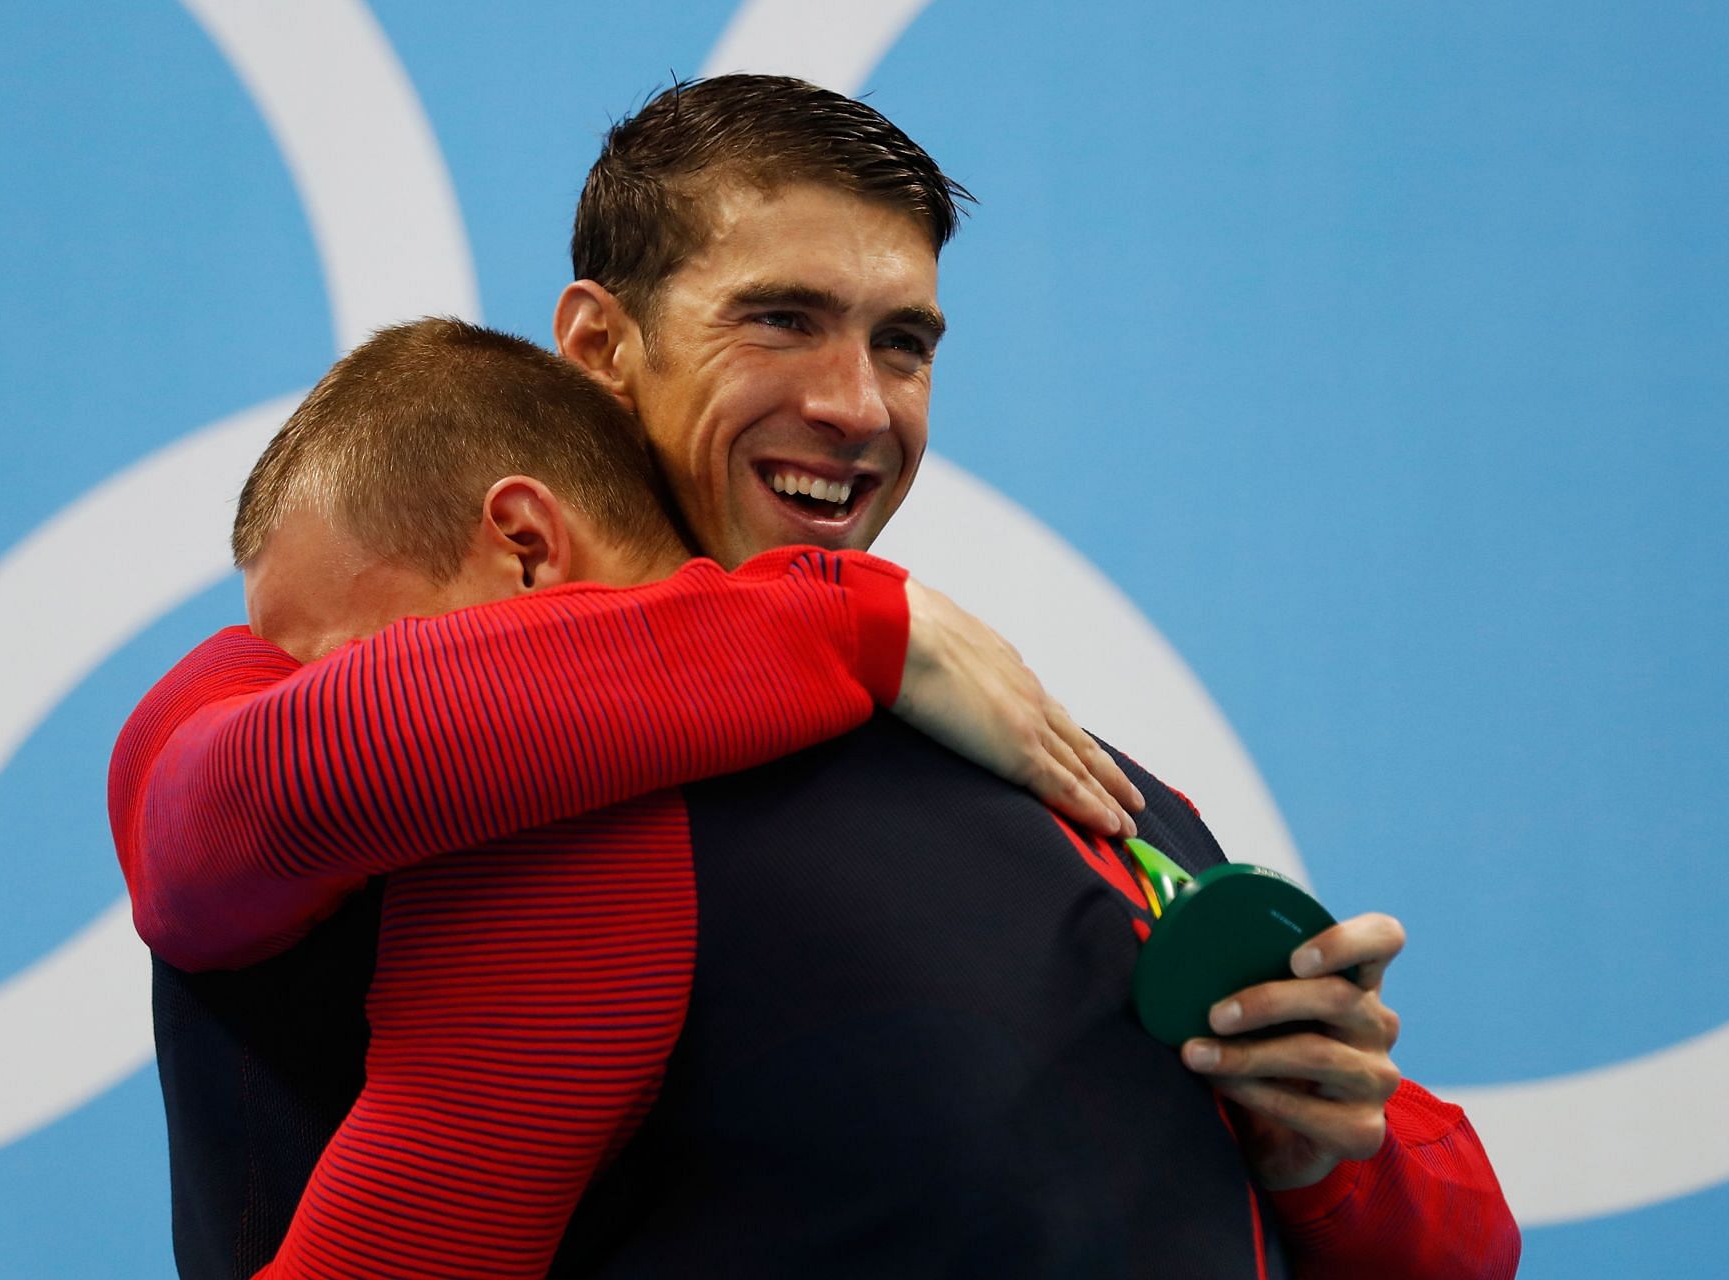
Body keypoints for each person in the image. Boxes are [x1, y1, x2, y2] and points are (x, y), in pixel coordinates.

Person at [109, 75, 1518, 1276]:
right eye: (781, 319)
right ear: (600, 346)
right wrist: (843, 618)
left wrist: (1330, 1148)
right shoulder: (484, 775)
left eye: (902, 343)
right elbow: (210, 821)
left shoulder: (1075, 777)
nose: (856, 405)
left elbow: (1460, 1247)